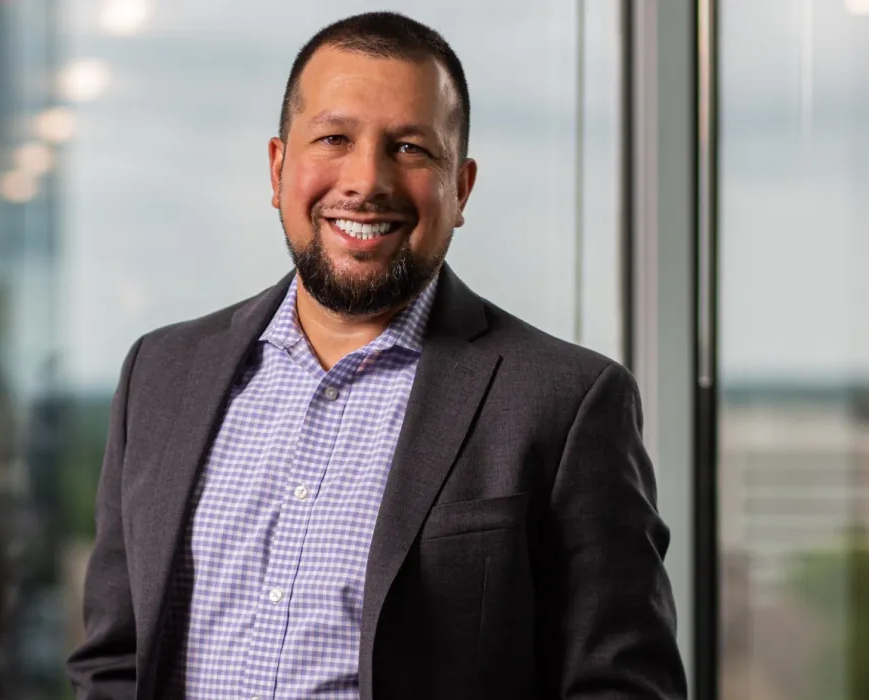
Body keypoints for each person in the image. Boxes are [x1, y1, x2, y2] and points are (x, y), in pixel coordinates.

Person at [67, 11, 687, 700]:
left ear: (461, 189)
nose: (366, 180)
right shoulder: (161, 374)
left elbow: (624, 687)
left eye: (412, 149)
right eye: (334, 138)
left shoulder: (567, 402)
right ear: (278, 169)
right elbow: (114, 665)